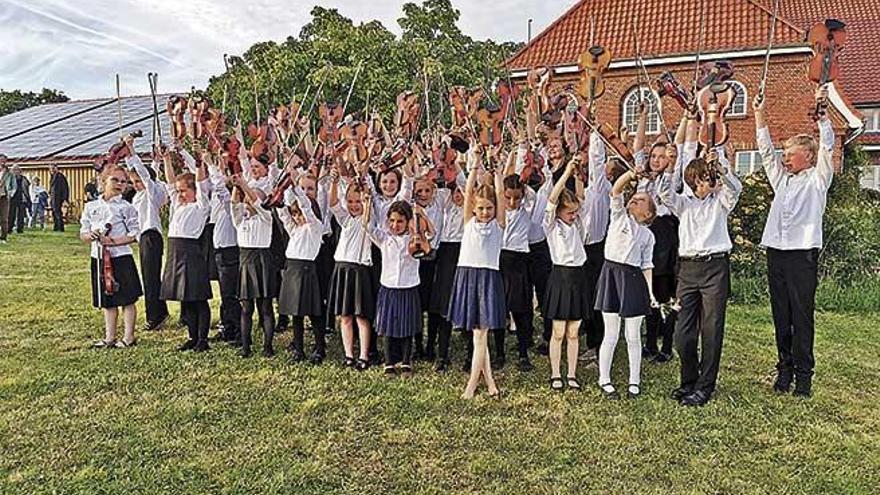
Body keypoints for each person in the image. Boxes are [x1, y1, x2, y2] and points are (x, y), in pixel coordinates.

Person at [754, 87, 834, 398]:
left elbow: (827, 146)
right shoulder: (782, 180)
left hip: (802, 255)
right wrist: (760, 114)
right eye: (784, 153)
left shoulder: (818, 180)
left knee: (802, 316)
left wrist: (824, 119)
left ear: (808, 156)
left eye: (790, 153)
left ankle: (804, 376)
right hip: (776, 253)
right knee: (781, 314)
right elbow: (764, 151)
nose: (784, 157)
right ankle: (783, 369)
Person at [658, 116, 742, 407]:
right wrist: (671, 164)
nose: (708, 184)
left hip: (715, 267)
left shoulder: (721, 202)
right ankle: (688, 380)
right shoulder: (685, 203)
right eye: (704, 180)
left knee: (712, 328)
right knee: (683, 333)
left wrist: (720, 165)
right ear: (693, 181)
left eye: (710, 180)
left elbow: (734, 188)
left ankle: (705, 386)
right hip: (689, 269)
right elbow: (664, 193)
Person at [447, 145, 506, 400]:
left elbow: (501, 194)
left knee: (482, 333)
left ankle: (473, 383)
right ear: (473, 208)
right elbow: (469, 190)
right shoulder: (469, 222)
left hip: (488, 277)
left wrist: (497, 171)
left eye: (489, 209)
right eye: (480, 208)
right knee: (477, 334)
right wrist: (475, 163)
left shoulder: (498, 226)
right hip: (468, 276)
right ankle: (489, 381)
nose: (484, 212)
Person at [595, 169, 657, 399]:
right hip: (611, 275)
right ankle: (604, 378)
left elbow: (646, 265)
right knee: (611, 333)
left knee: (632, 335)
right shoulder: (619, 215)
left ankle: (634, 381)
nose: (635, 199)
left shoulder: (648, 236)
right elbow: (616, 190)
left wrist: (650, 292)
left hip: (633, 281)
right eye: (635, 197)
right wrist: (630, 174)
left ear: (648, 212)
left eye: (641, 200)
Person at [368, 199, 434, 377]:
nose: (395, 225)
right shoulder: (384, 238)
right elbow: (367, 226)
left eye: (400, 221)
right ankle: (389, 362)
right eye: (392, 220)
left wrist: (420, 214)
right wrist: (367, 203)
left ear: (408, 222)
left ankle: (406, 361)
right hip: (389, 288)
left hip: (408, 287)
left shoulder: (414, 239)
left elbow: (431, 236)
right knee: (388, 327)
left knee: (407, 327)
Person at [79, 163, 142, 348]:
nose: (119, 184)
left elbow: (134, 234)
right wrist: (90, 236)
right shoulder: (91, 206)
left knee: (127, 298)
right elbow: (83, 232)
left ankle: (129, 337)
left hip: (120, 257)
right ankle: (109, 337)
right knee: (108, 299)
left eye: (123, 182)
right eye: (115, 179)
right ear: (103, 180)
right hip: (98, 258)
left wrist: (112, 242)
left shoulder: (126, 207)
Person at [542, 157, 590, 391]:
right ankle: (555, 373)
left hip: (578, 277)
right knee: (558, 330)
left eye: (575, 212)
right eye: (569, 212)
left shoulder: (578, 224)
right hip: (560, 277)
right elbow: (552, 199)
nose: (573, 215)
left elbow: (581, 198)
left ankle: (571, 374)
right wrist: (566, 173)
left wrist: (578, 175)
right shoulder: (551, 225)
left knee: (574, 331)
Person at [160, 148, 214, 352]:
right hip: (175, 251)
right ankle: (191, 336)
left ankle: (202, 339)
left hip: (191, 252)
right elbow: (170, 183)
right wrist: (166, 159)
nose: (180, 194)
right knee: (185, 298)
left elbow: (201, 183)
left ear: (194, 191)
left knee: (198, 297)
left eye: (184, 190)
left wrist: (200, 165)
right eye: (179, 191)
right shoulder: (178, 204)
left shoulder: (201, 205)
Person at [277, 166, 327, 365]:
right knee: (295, 313)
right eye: (295, 214)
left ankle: (320, 347)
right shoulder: (294, 229)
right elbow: (284, 214)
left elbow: (305, 207)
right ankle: (298, 349)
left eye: (301, 214)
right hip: (292, 270)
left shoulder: (314, 227)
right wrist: (284, 191)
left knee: (313, 313)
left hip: (307, 271)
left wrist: (296, 189)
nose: (298, 217)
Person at [327, 168, 375, 370]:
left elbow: (369, 204)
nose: (354, 206)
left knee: (361, 316)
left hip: (360, 269)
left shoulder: (369, 219)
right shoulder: (345, 219)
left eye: (358, 202)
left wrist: (366, 193)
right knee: (345, 316)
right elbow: (333, 204)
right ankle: (348, 354)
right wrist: (335, 183)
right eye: (351, 202)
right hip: (342, 268)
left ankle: (364, 355)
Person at [231, 173, 278, 358]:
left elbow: (257, 202)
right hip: (246, 262)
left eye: (253, 197)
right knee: (246, 308)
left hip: (262, 261)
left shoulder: (266, 217)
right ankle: (245, 346)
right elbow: (234, 205)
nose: (249, 201)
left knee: (265, 307)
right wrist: (236, 185)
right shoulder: (241, 220)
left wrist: (245, 185)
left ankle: (268, 345)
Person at [127, 143, 170, 332]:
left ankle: (155, 316)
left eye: (139, 182)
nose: (136, 186)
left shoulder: (153, 194)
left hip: (151, 236)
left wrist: (132, 153)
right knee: (149, 277)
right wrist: (155, 160)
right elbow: (149, 172)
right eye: (133, 183)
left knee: (150, 278)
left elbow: (147, 175)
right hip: (144, 238)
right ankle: (160, 311)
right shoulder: (139, 196)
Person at [8, 165, 30, 234]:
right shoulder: (10, 178)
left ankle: (20, 229)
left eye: (17, 170)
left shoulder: (23, 179)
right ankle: (9, 228)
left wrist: (27, 198)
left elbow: (27, 187)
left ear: (20, 171)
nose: (16, 171)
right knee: (11, 214)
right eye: (14, 170)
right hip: (12, 198)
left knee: (21, 215)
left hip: (21, 198)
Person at [49, 164, 70, 231]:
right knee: (54, 212)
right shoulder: (52, 176)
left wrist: (65, 198)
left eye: (53, 168)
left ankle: (60, 227)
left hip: (58, 197)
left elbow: (65, 188)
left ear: (56, 168)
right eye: (50, 169)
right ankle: (56, 227)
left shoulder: (60, 176)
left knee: (58, 213)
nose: (51, 170)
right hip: (53, 197)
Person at [0, 154, 11, 242]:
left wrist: (10, 193)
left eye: (4, 160)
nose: (3, 162)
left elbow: (12, 184)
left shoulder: (8, 172)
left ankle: (3, 237)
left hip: (4, 196)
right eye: (1, 160)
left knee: (4, 218)